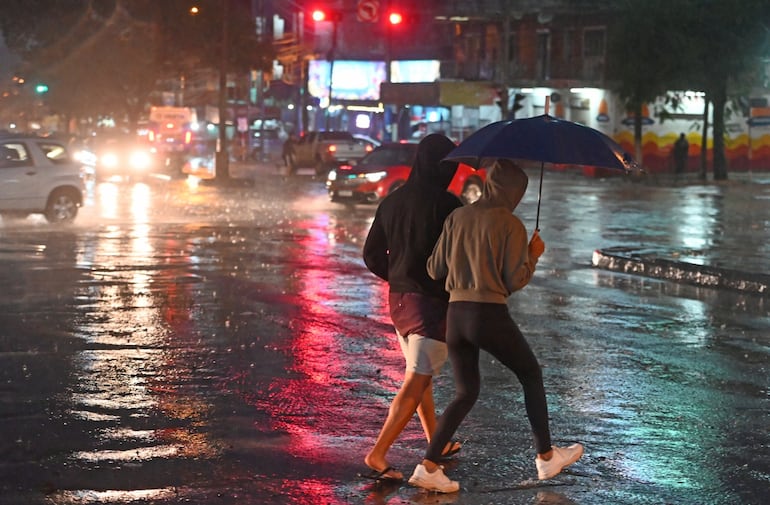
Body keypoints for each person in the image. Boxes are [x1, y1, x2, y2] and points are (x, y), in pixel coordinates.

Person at [408, 159, 584, 493]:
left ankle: (428, 466)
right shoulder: (510, 224)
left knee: (466, 392)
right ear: (514, 192)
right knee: (530, 374)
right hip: (487, 312)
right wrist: (532, 255)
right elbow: (512, 280)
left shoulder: (457, 216)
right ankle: (546, 456)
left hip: (456, 315)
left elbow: (434, 270)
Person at [361, 134, 465, 482]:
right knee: (417, 379)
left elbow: (372, 254)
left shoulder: (392, 201)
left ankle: (439, 442)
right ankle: (378, 454)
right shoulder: (448, 206)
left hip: (400, 304)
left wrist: (399, 276)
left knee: (421, 377)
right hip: (431, 306)